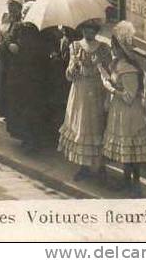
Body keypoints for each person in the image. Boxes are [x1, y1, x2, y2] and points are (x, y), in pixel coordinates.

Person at [100, 21, 146, 196]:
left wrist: (111, 88)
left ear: (120, 48)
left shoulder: (128, 69)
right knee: (126, 148)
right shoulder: (117, 64)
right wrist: (105, 75)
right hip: (120, 110)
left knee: (131, 148)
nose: (111, 50)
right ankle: (126, 181)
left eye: (113, 47)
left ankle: (134, 184)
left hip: (129, 112)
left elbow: (130, 97)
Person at [58, 19, 109, 181]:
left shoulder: (103, 48)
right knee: (82, 125)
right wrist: (73, 68)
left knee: (97, 126)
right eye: (86, 29)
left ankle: (100, 165)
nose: (89, 32)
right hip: (79, 92)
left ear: (96, 31)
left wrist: (97, 65)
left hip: (96, 91)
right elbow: (69, 75)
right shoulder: (75, 46)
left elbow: (108, 73)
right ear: (82, 30)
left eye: (92, 29)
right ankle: (84, 166)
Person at [2, 2, 55, 150]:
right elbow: (8, 39)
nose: (25, 16)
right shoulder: (19, 27)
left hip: (37, 75)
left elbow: (50, 47)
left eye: (28, 13)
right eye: (24, 13)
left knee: (34, 107)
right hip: (20, 74)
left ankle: (34, 139)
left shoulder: (43, 30)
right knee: (21, 106)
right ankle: (25, 137)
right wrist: (11, 45)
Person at [0, 0, 26, 126]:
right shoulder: (5, 17)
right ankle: (3, 110)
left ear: (19, 8)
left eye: (14, 6)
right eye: (9, 5)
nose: (11, 9)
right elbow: (0, 32)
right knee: (0, 81)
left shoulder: (21, 21)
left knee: (9, 83)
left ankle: (9, 112)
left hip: (11, 57)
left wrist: (4, 38)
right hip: (1, 52)